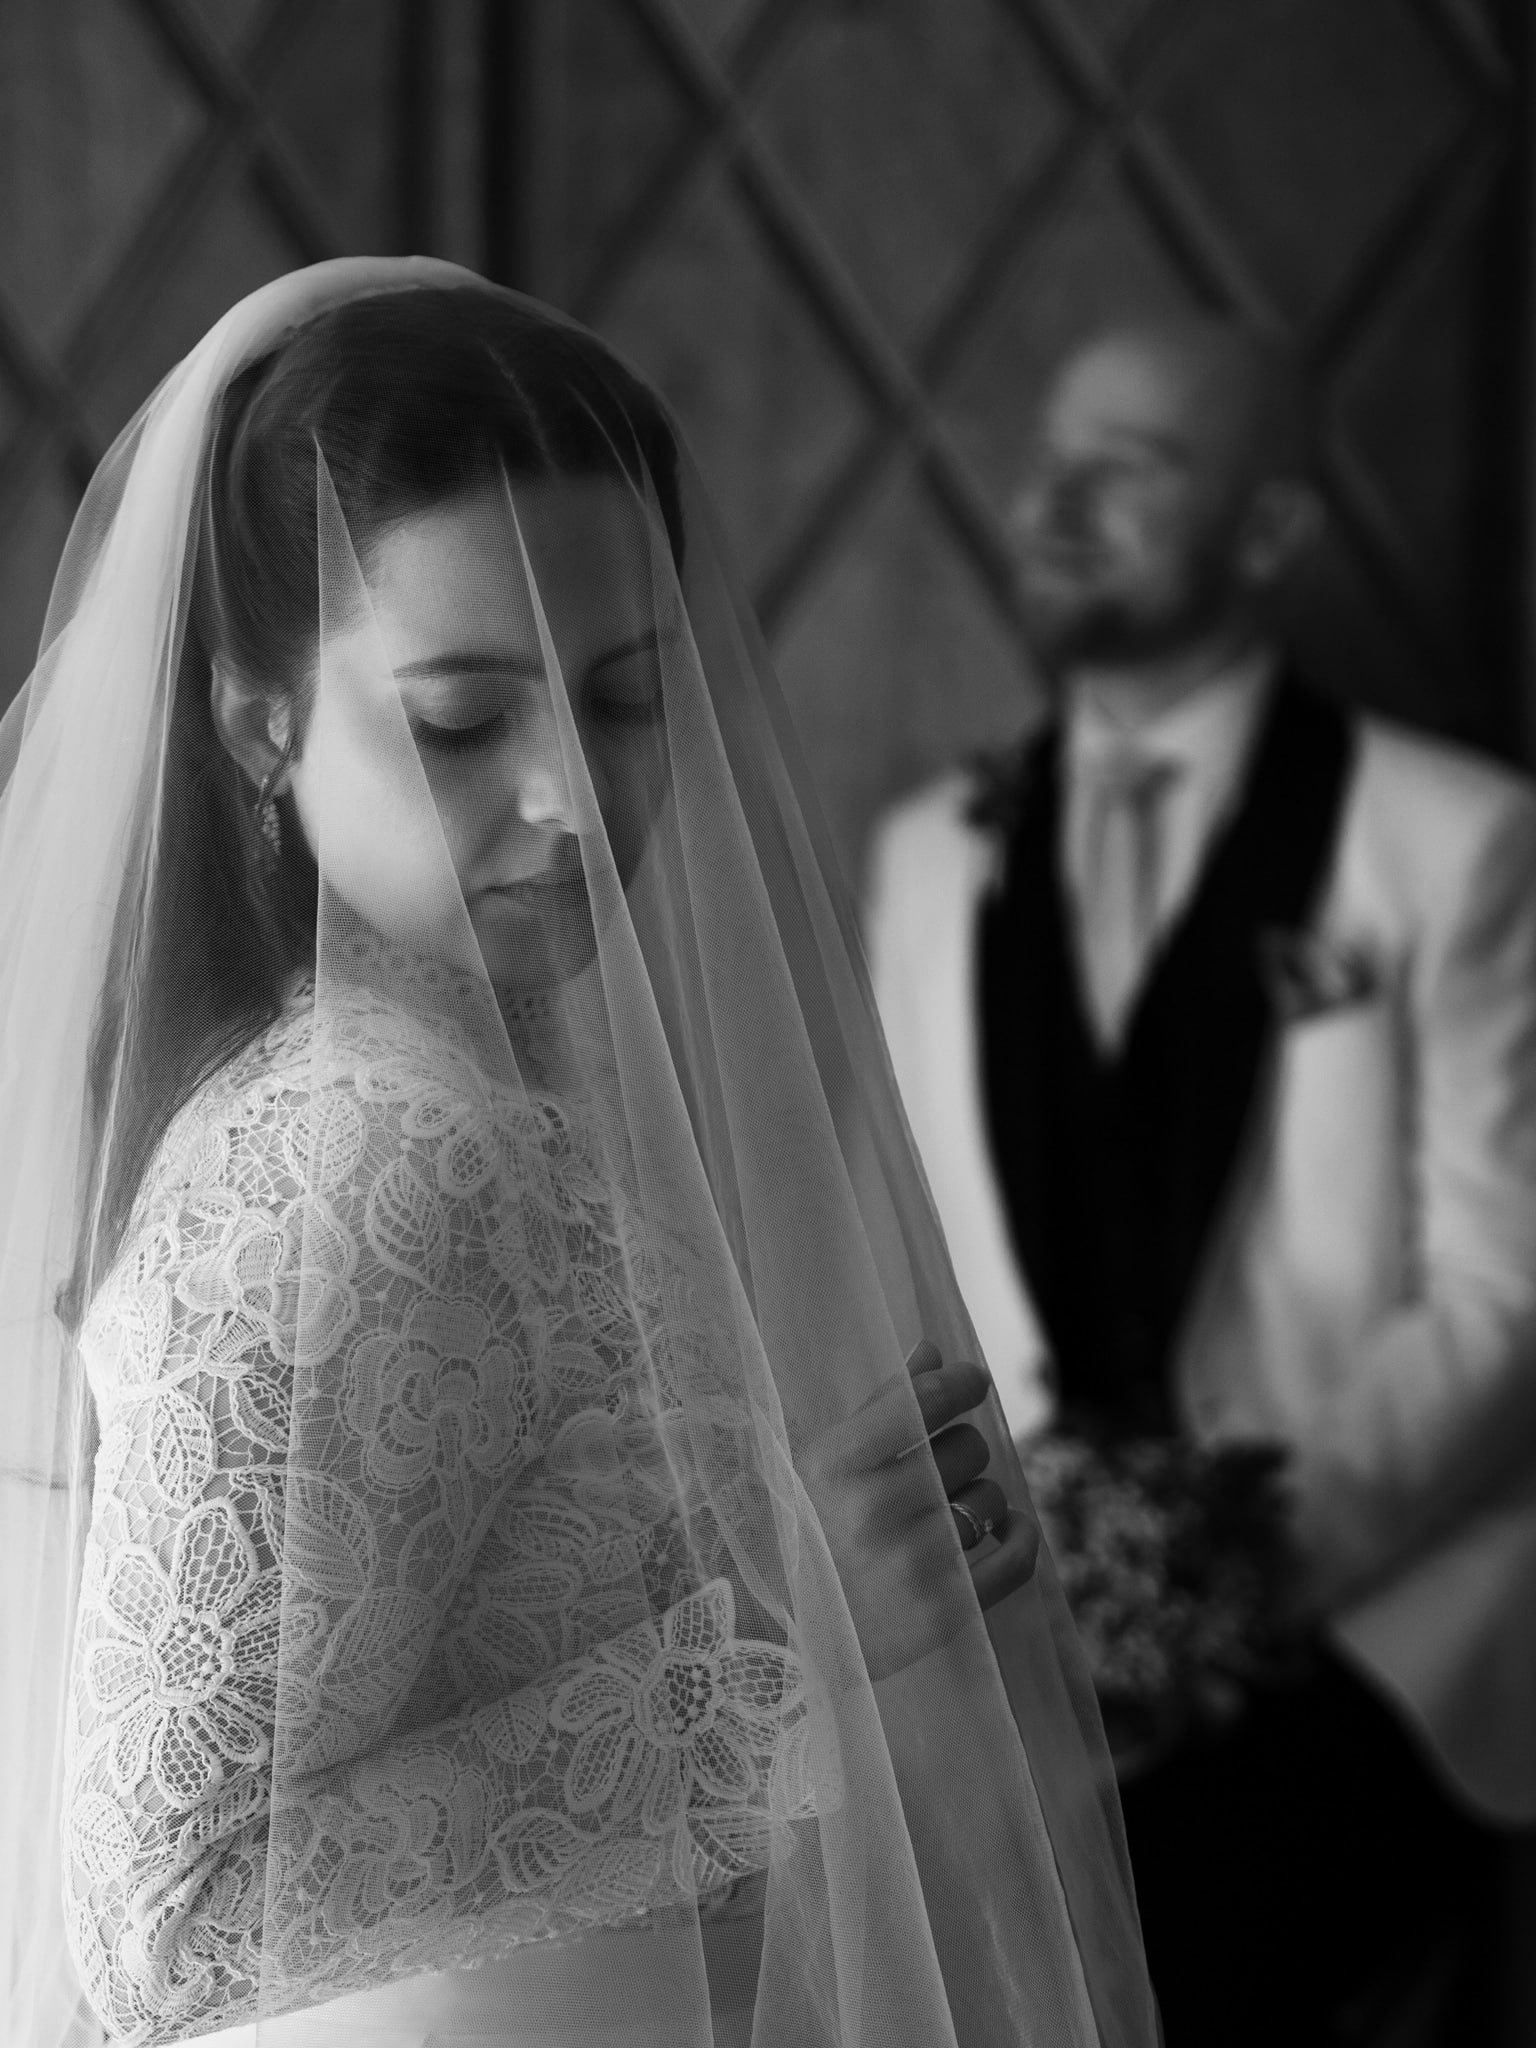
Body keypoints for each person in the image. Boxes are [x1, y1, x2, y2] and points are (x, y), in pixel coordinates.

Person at [0, 261, 1155, 2048]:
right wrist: (790, 1644)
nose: (574, 800)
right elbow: (175, 1918)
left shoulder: (479, 1091)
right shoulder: (368, 1156)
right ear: (259, 723)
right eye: (463, 720)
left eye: (623, 700)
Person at [864, 314, 1536, 2045]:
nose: (1052, 503)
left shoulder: (1457, 843)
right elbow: (900, 1260)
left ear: (1270, 530)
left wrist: (1216, 1575)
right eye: (1050, 460)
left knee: (1153, 1946)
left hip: (1367, 1611)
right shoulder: (929, 857)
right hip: (1013, 1614)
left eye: (1130, 470)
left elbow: (1505, 1295)